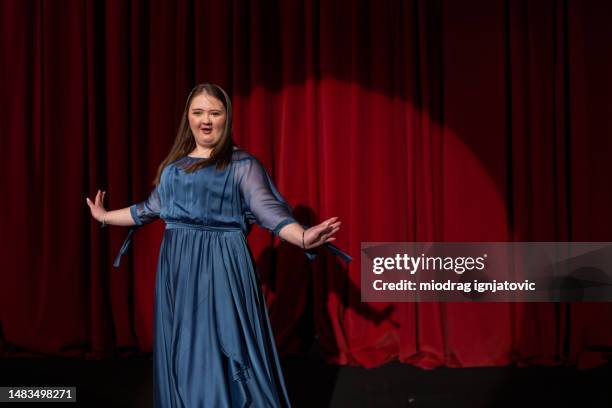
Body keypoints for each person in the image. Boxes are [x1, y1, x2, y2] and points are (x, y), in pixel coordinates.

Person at [85, 83, 345, 407]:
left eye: (214, 112)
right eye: (198, 112)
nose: (205, 120)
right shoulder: (173, 169)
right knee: (185, 353)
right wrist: (105, 216)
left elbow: (268, 210)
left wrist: (303, 236)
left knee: (223, 347)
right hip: (178, 273)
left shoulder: (242, 165)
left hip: (223, 267)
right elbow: (148, 209)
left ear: (226, 118)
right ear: (188, 119)